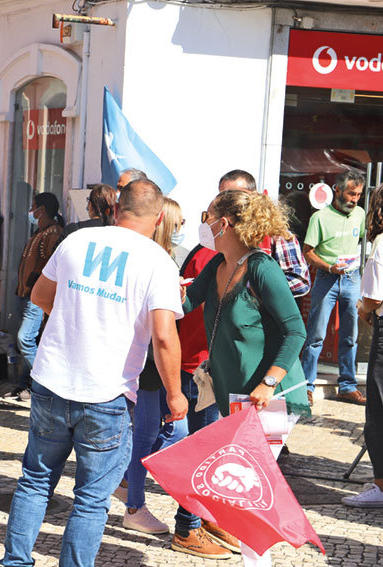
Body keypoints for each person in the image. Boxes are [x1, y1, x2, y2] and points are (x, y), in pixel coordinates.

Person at [0, 179, 187, 567]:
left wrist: (78, 314)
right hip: (107, 392)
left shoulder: (75, 242)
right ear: (157, 220)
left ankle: (16, 562)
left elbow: (39, 296)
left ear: (116, 210)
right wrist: (175, 393)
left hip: (52, 380)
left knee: (35, 482)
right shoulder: (158, 262)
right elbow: (165, 338)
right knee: (90, 498)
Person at [175, 189, 310, 558]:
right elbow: (183, 304)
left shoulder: (261, 268)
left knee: (248, 492)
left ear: (225, 223)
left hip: (268, 397)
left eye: (208, 215)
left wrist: (269, 382)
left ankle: (257, 560)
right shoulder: (217, 264)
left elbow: (296, 330)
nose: (204, 222)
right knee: (239, 491)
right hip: (233, 395)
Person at [117, 197, 189, 535]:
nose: (180, 233)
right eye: (176, 226)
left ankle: (127, 481)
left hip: (155, 364)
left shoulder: (164, 260)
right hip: (145, 364)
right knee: (146, 435)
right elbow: (160, 332)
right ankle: (133, 503)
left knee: (167, 433)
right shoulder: (153, 260)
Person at [301, 170, 367, 406]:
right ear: (337, 190)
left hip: (351, 279)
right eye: (351, 193)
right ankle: (306, 386)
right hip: (327, 279)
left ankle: (347, 386)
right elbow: (308, 252)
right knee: (316, 336)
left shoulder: (359, 214)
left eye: (358, 195)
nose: (355, 199)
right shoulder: (320, 218)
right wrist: (329, 267)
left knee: (350, 336)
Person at [4, 192, 64, 402]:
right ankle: (24, 385)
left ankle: (43, 384)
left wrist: (33, 286)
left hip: (35, 297)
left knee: (25, 339)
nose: (31, 211)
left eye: (33, 207)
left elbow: (49, 266)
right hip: (24, 294)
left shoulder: (53, 234)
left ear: (42, 210)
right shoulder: (40, 232)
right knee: (23, 340)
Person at [218, 169, 310, 298]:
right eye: (222, 196)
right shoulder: (221, 231)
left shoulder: (276, 232)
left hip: (260, 316)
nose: (226, 202)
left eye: (233, 195)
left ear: (253, 195)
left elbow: (299, 281)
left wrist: (251, 292)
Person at [348, 184, 383, 507]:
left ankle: (381, 486)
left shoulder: (382, 243)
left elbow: (374, 297)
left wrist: (362, 309)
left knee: (379, 410)